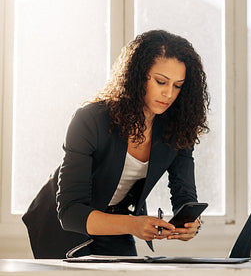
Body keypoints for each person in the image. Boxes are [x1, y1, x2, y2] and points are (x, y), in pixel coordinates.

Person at [22, 29, 210, 259]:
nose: (169, 93)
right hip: (63, 222)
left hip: (117, 218)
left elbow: (185, 195)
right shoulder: (90, 119)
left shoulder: (178, 128)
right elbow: (70, 212)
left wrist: (191, 224)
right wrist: (133, 225)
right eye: (161, 81)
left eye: (178, 85)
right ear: (138, 76)